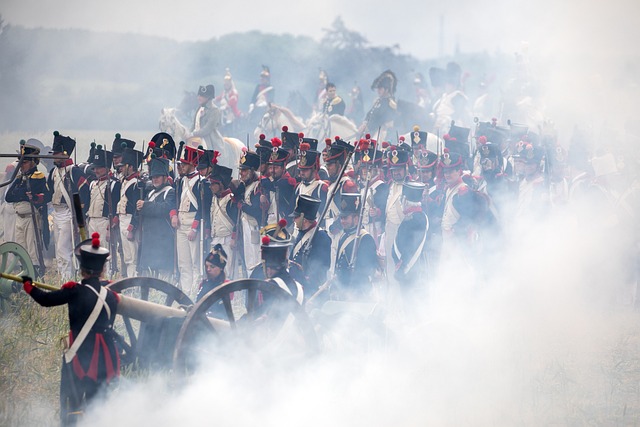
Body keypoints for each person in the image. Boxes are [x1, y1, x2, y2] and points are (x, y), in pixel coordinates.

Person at [20, 233, 120, 426]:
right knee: (97, 403)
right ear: (102, 270)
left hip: (80, 354)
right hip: (105, 356)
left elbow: (46, 300)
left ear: (82, 269)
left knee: (71, 401)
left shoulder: (74, 290)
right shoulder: (111, 297)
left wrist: (29, 286)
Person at [47, 131, 90, 279]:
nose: (54, 156)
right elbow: (49, 192)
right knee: (59, 249)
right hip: (56, 213)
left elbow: (84, 195)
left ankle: (66, 279)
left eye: (57, 153)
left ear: (65, 154)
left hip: (68, 213)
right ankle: (62, 277)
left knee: (63, 249)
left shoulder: (74, 172)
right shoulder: (53, 172)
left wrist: (79, 219)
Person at [5, 141, 52, 276]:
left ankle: (35, 274)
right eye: (20, 162)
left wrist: (21, 194)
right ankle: (23, 274)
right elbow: (9, 196)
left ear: (32, 162)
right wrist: (23, 194)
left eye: (24, 162)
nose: (21, 165)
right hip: (19, 217)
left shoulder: (38, 177)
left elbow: (45, 196)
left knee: (32, 250)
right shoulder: (20, 178)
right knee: (21, 249)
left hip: (31, 217)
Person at [331, 189, 379, 301]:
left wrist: (352, 288)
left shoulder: (365, 239)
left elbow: (367, 269)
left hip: (357, 293)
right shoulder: (343, 237)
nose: (342, 221)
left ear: (356, 219)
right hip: (342, 291)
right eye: (342, 218)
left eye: (346, 218)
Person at [136, 156, 176, 278]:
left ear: (165, 177)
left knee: (163, 273)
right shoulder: (151, 193)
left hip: (162, 239)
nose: (155, 179)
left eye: (158, 177)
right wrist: (139, 208)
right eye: (153, 177)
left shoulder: (170, 192)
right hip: (149, 238)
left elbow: (164, 209)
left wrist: (145, 205)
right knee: (149, 272)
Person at [173, 146, 205, 294]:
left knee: (195, 261)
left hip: (192, 223)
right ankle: (185, 291)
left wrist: (194, 227)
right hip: (180, 222)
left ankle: (194, 291)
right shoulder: (180, 181)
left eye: (184, 164)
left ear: (192, 164)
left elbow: (202, 208)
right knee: (183, 262)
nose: (181, 167)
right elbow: (175, 200)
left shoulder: (200, 182)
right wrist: (173, 214)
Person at [391, 182, 429, 305]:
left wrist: (402, 267)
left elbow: (413, 247)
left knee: (413, 304)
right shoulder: (412, 217)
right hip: (408, 268)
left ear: (405, 200)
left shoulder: (417, 218)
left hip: (412, 269)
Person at [289, 195, 331, 305]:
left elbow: (322, 266)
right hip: (297, 287)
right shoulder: (301, 233)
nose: (294, 220)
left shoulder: (321, 237)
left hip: (311, 291)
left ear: (304, 219)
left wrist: (308, 281)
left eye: (296, 217)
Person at [114, 146, 143, 278]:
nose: (120, 168)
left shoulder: (136, 184)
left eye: (123, 166)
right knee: (127, 255)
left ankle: (134, 281)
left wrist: (132, 227)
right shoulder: (125, 181)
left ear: (130, 166)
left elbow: (137, 210)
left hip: (130, 221)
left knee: (133, 256)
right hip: (123, 220)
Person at [207, 161, 238, 278]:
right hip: (216, 239)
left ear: (221, 184)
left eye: (213, 184)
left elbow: (236, 221)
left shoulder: (230, 199)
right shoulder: (215, 198)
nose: (211, 186)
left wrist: (234, 238)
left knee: (228, 272)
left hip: (227, 241)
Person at [359, 70, 398, 141]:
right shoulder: (378, 101)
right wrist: (364, 124)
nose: (378, 91)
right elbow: (370, 114)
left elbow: (383, 119)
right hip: (370, 131)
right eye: (378, 89)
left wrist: (368, 127)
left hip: (382, 133)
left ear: (387, 89)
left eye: (380, 89)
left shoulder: (391, 104)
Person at [187, 84, 224, 151]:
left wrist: (193, 134)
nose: (199, 98)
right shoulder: (199, 108)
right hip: (195, 137)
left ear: (208, 97)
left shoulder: (214, 110)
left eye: (202, 96)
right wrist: (188, 134)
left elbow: (207, 129)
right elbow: (193, 124)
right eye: (199, 95)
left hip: (208, 140)